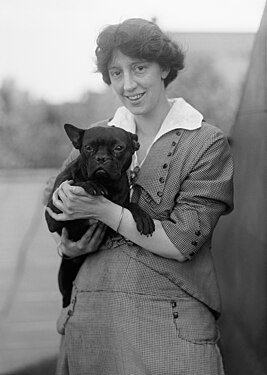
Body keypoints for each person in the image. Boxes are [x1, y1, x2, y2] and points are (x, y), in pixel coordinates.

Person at [44, 18, 234, 375]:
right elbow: (58, 214)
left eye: (139, 68)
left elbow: (182, 242)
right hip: (90, 324)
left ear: (164, 67)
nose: (127, 84)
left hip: (168, 327)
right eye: (116, 73)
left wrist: (104, 210)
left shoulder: (204, 142)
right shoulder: (96, 138)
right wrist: (68, 247)